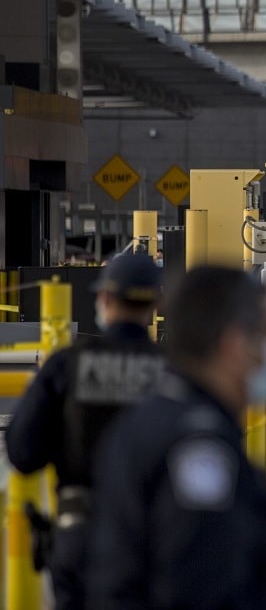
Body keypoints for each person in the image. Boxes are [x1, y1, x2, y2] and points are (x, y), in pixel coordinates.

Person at [88, 266, 266, 610]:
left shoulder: (154, 417)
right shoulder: (199, 446)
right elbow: (199, 580)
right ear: (234, 346)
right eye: (264, 337)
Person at [5, 253, 165, 610]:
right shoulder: (173, 374)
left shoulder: (67, 365)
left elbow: (22, 451)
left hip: (82, 535)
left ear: (104, 299)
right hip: (156, 542)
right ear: (155, 305)